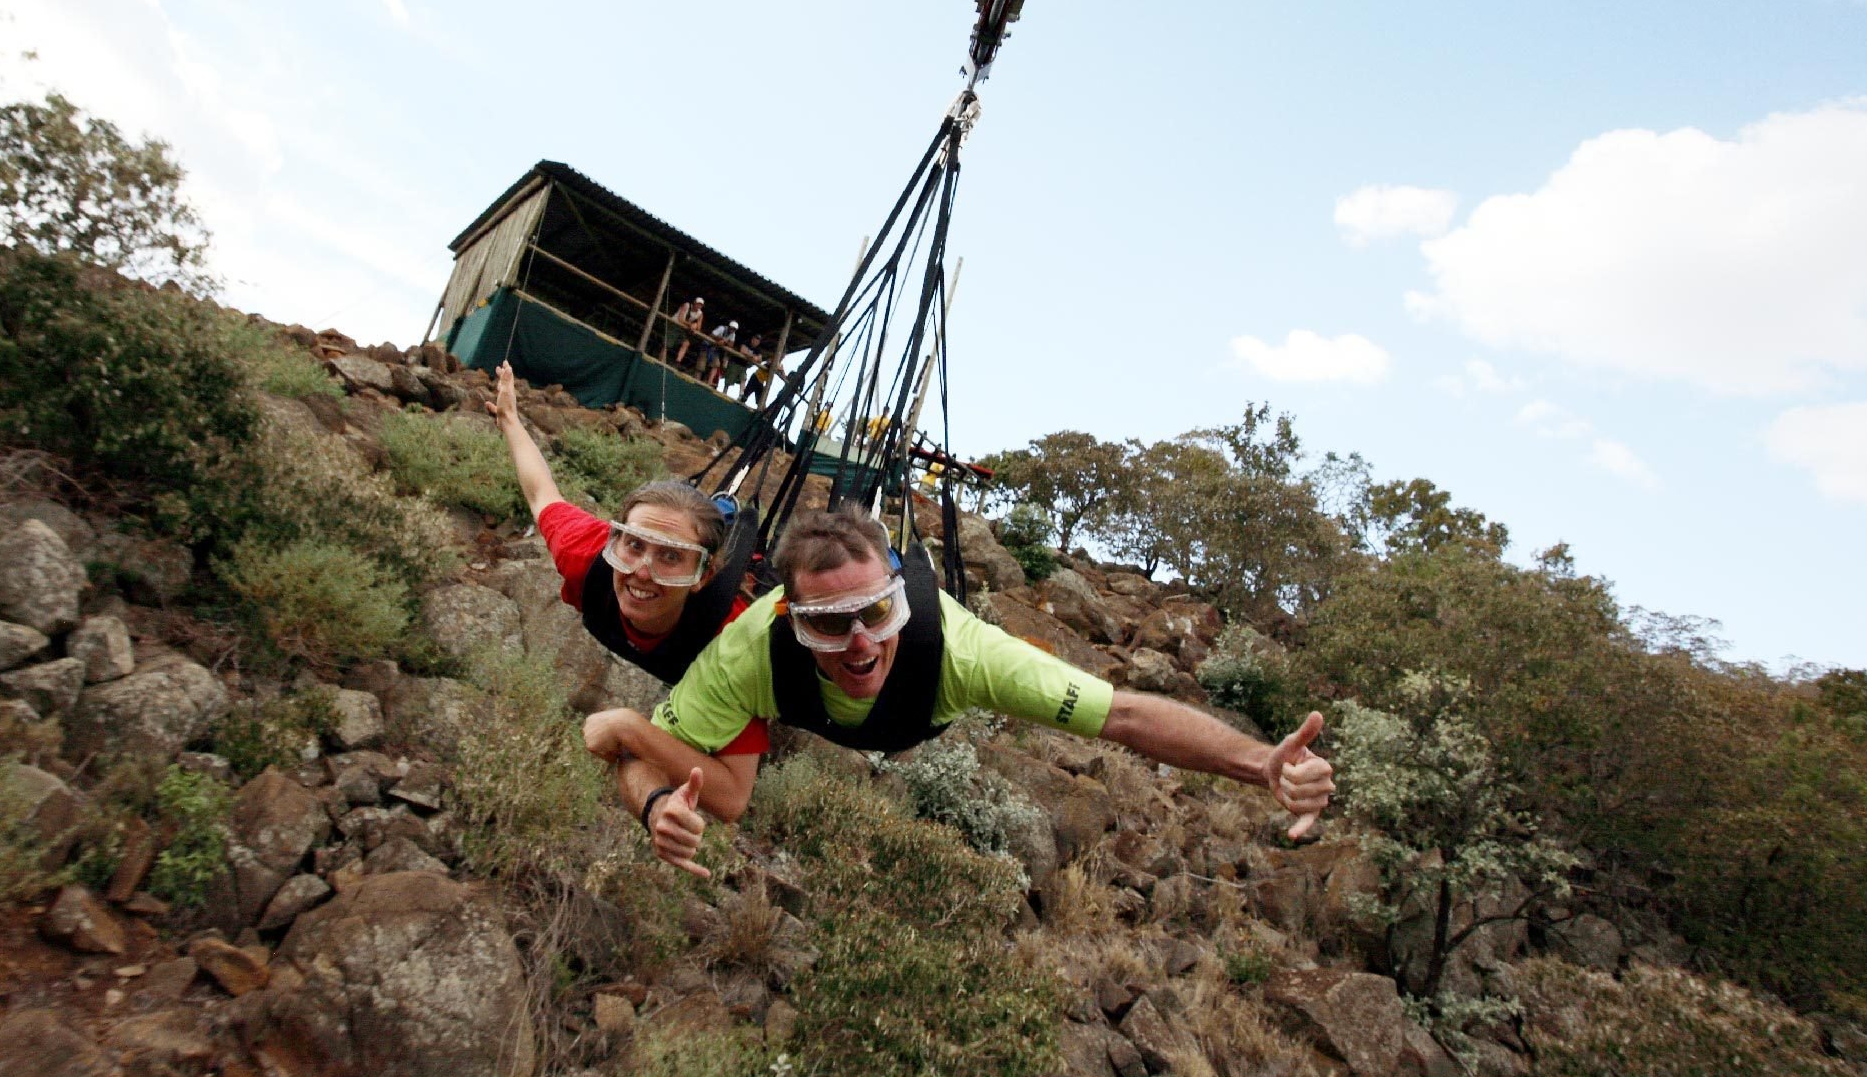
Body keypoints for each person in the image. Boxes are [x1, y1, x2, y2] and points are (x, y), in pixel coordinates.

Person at [590, 504, 1336, 877]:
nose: (859, 645)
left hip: (916, 712)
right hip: (795, 701)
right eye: (828, 624)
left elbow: (1129, 716)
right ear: (789, 618)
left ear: (901, 601)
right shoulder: (752, 648)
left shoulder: (963, 653)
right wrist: (654, 799)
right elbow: (692, 781)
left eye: (877, 613)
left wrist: (1256, 761)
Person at [490, 361, 768, 792]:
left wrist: (632, 731)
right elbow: (541, 493)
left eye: (672, 557)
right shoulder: (590, 557)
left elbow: (734, 795)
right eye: (634, 545)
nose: (642, 570)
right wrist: (509, 418)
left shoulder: (733, 637)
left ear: (702, 575)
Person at [669, 296, 705, 367]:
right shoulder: (687, 305)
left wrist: (695, 325)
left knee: (686, 343)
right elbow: (680, 319)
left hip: (683, 328)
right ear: (694, 303)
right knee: (667, 344)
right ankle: (661, 360)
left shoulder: (700, 314)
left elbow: (699, 328)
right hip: (674, 325)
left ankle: (677, 362)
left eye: (701, 305)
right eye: (698, 303)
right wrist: (691, 325)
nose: (699, 306)